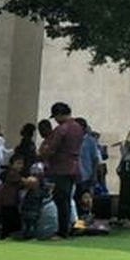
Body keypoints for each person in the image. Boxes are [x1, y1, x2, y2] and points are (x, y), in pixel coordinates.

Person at [41, 101, 84, 238]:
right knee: (71, 200)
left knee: (62, 200)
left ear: (59, 114)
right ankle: (76, 226)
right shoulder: (78, 127)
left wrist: (43, 155)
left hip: (61, 168)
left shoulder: (62, 129)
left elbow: (52, 148)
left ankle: (63, 231)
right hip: (75, 167)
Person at [75, 118, 103, 199]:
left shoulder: (90, 141)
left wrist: (94, 175)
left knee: (85, 198)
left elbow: (95, 159)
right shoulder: (72, 140)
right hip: (74, 175)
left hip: (86, 176)